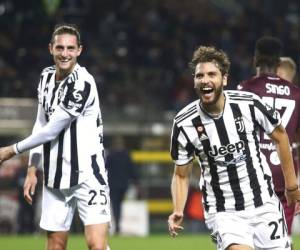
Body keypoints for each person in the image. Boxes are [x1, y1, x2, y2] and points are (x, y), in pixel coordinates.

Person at [168, 45, 300, 250]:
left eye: (212, 74)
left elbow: (281, 135)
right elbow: (181, 175)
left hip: (264, 204)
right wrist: (178, 209)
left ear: (225, 79)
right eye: (199, 75)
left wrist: (292, 186)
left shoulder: (248, 103)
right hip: (224, 213)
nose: (205, 80)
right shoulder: (184, 122)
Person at [0, 24, 111, 250]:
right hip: (54, 178)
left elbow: (52, 129)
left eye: (70, 48)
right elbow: (40, 122)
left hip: (88, 175)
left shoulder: (82, 83)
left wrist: (10, 150)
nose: (65, 53)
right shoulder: (45, 77)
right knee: (55, 246)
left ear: (79, 50)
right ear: (51, 48)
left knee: (96, 246)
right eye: (60, 47)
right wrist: (33, 168)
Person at [237, 36, 300, 246]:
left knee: (244, 240)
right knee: (280, 241)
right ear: (278, 63)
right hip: (284, 178)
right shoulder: (296, 94)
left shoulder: (244, 89)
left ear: (255, 59)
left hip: (251, 178)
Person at [106, 136, 139, 234]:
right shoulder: (126, 155)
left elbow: (105, 169)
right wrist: (136, 181)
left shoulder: (110, 155)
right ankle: (117, 225)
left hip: (113, 184)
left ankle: (117, 225)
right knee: (118, 205)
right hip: (123, 185)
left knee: (115, 204)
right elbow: (132, 169)